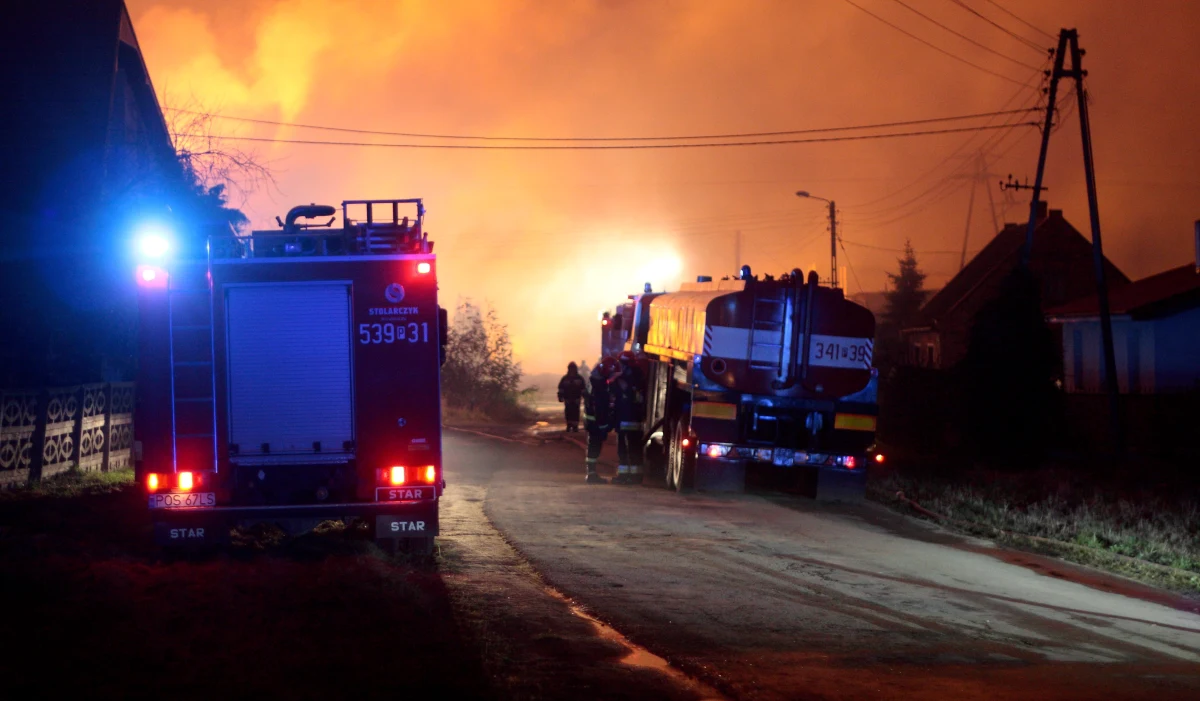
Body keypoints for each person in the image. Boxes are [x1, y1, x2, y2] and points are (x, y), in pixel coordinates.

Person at [611, 350, 646, 485]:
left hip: (623, 418)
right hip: (636, 420)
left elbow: (613, 394)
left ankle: (623, 476)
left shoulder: (620, 377)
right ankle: (636, 477)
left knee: (623, 449)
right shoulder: (639, 375)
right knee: (635, 448)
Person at [583, 357, 618, 484]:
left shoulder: (594, 380)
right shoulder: (599, 385)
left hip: (591, 421)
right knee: (594, 447)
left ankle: (591, 474)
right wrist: (604, 427)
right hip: (596, 422)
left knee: (593, 446)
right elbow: (600, 408)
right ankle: (591, 475)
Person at [557, 361, 587, 432]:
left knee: (576, 412)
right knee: (568, 412)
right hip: (567, 399)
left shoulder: (579, 378)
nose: (572, 370)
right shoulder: (565, 379)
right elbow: (561, 389)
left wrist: (585, 398)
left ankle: (575, 426)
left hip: (576, 399)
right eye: (571, 368)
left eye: (573, 368)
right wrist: (560, 397)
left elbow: (583, 389)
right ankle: (569, 425)